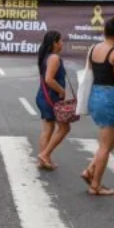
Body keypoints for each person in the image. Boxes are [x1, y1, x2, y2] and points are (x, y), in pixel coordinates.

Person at [82, 17, 114, 196]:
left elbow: (89, 74)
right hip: (109, 97)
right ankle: (95, 184)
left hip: (95, 94)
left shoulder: (93, 49)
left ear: (104, 31)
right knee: (105, 145)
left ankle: (90, 169)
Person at [36, 30, 71, 171]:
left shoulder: (46, 57)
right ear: (54, 43)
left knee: (48, 128)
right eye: (60, 41)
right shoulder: (54, 58)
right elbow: (49, 79)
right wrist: (62, 91)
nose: (62, 43)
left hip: (44, 96)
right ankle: (44, 155)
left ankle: (44, 159)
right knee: (64, 128)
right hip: (51, 97)